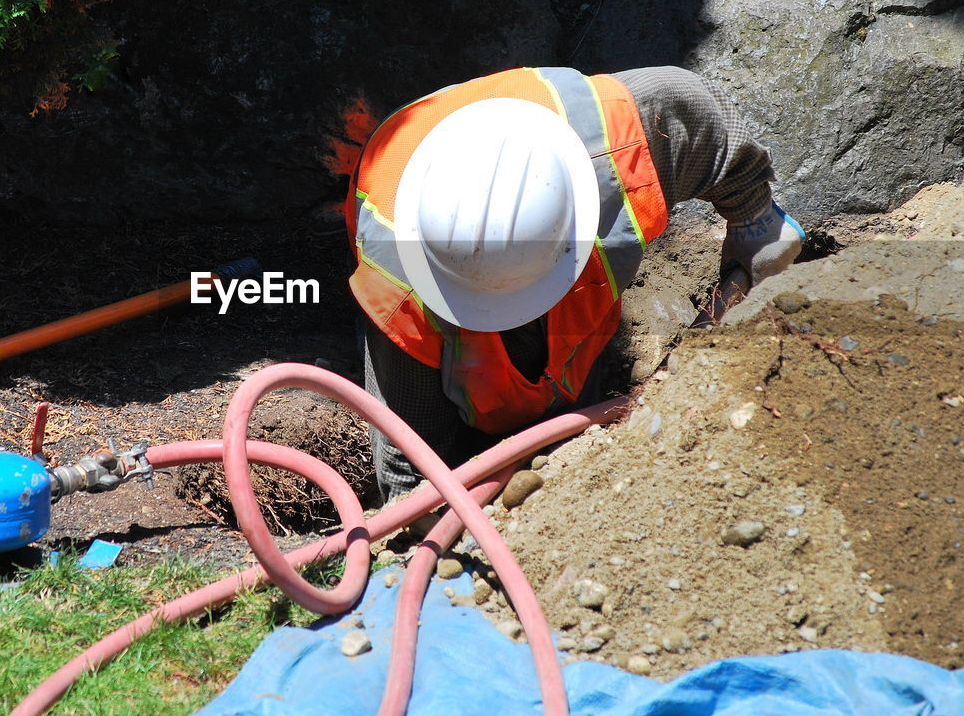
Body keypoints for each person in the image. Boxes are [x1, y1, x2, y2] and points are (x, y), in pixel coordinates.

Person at [344, 66, 804, 499]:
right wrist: (433, 511)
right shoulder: (396, 290)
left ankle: (570, 416)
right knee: (455, 418)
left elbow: (702, 112)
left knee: (569, 358)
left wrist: (754, 221)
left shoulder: (619, 142)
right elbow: (409, 475)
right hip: (422, 284)